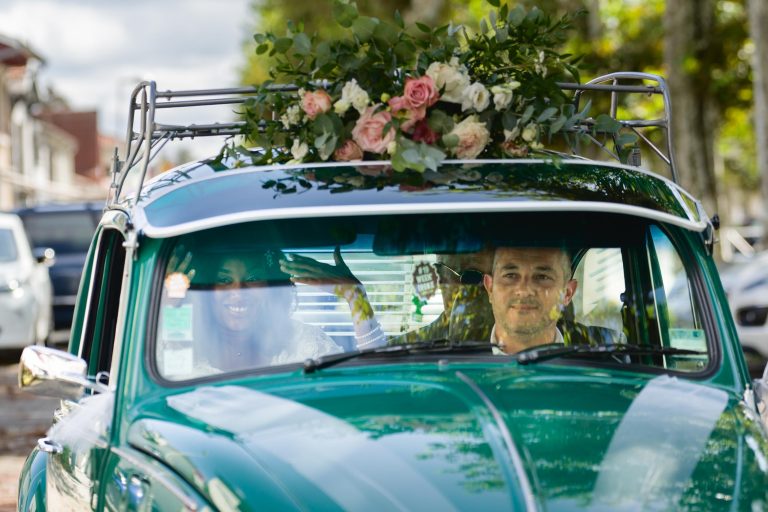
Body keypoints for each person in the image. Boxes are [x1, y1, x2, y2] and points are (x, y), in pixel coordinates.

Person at [162, 246, 342, 375]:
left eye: (253, 278)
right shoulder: (184, 342)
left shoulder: (304, 342)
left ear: (271, 284)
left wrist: (356, 297)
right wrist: (168, 305)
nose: (239, 292)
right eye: (224, 280)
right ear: (206, 289)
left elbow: (357, 392)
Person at [279, 247, 495, 348]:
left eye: (508, 277)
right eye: (471, 278)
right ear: (440, 277)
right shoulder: (421, 342)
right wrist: (355, 296)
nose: (488, 288)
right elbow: (375, 369)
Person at [483, 246, 578, 354]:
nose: (524, 291)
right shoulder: (460, 352)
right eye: (510, 275)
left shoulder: (595, 354)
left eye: (542, 277)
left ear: (567, 293)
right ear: (490, 288)